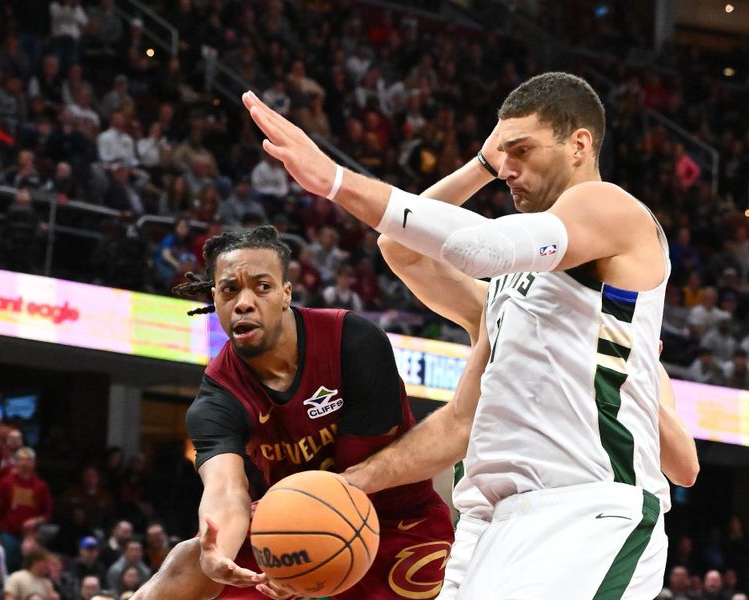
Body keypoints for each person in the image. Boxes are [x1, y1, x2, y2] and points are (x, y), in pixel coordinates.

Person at [242, 71, 679, 598]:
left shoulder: (609, 206)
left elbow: (478, 248)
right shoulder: (507, 292)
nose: (509, 169)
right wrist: (346, 485)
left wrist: (334, 180)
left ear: (579, 144)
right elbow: (458, 419)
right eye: (503, 155)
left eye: (521, 151)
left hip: (583, 513)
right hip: (488, 527)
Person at [341, 156, 698, 599]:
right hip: (488, 523)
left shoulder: (631, 355)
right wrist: (482, 166)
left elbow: (685, 468)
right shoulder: (503, 297)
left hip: (571, 514)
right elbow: (399, 248)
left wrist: (633, 379)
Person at [133, 226, 454, 600]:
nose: (244, 302)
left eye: (262, 286)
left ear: (287, 293)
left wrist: (306, 547)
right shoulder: (217, 398)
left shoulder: (351, 341)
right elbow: (226, 491)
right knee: (188, 564)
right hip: (300, 518)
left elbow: (362, 473)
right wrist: (218, 550)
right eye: (229, 290)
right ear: (215, 300)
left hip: (396, 518)